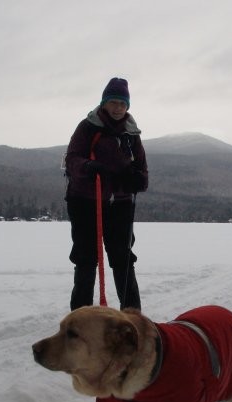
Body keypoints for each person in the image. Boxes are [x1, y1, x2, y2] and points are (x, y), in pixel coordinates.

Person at [63, 77, 149, 310]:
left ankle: (133, 316)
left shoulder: (131, 134)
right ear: (104, 103)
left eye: (123, 104)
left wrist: (136, 179)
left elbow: (142, 174)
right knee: (86, 259)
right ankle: (81, 317)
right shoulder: (88, 127)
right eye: (113, 102)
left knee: (123, 259)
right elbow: (71, 160)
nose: (118, 108)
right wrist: (87, 167)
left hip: (120, 204)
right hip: (84, 202)